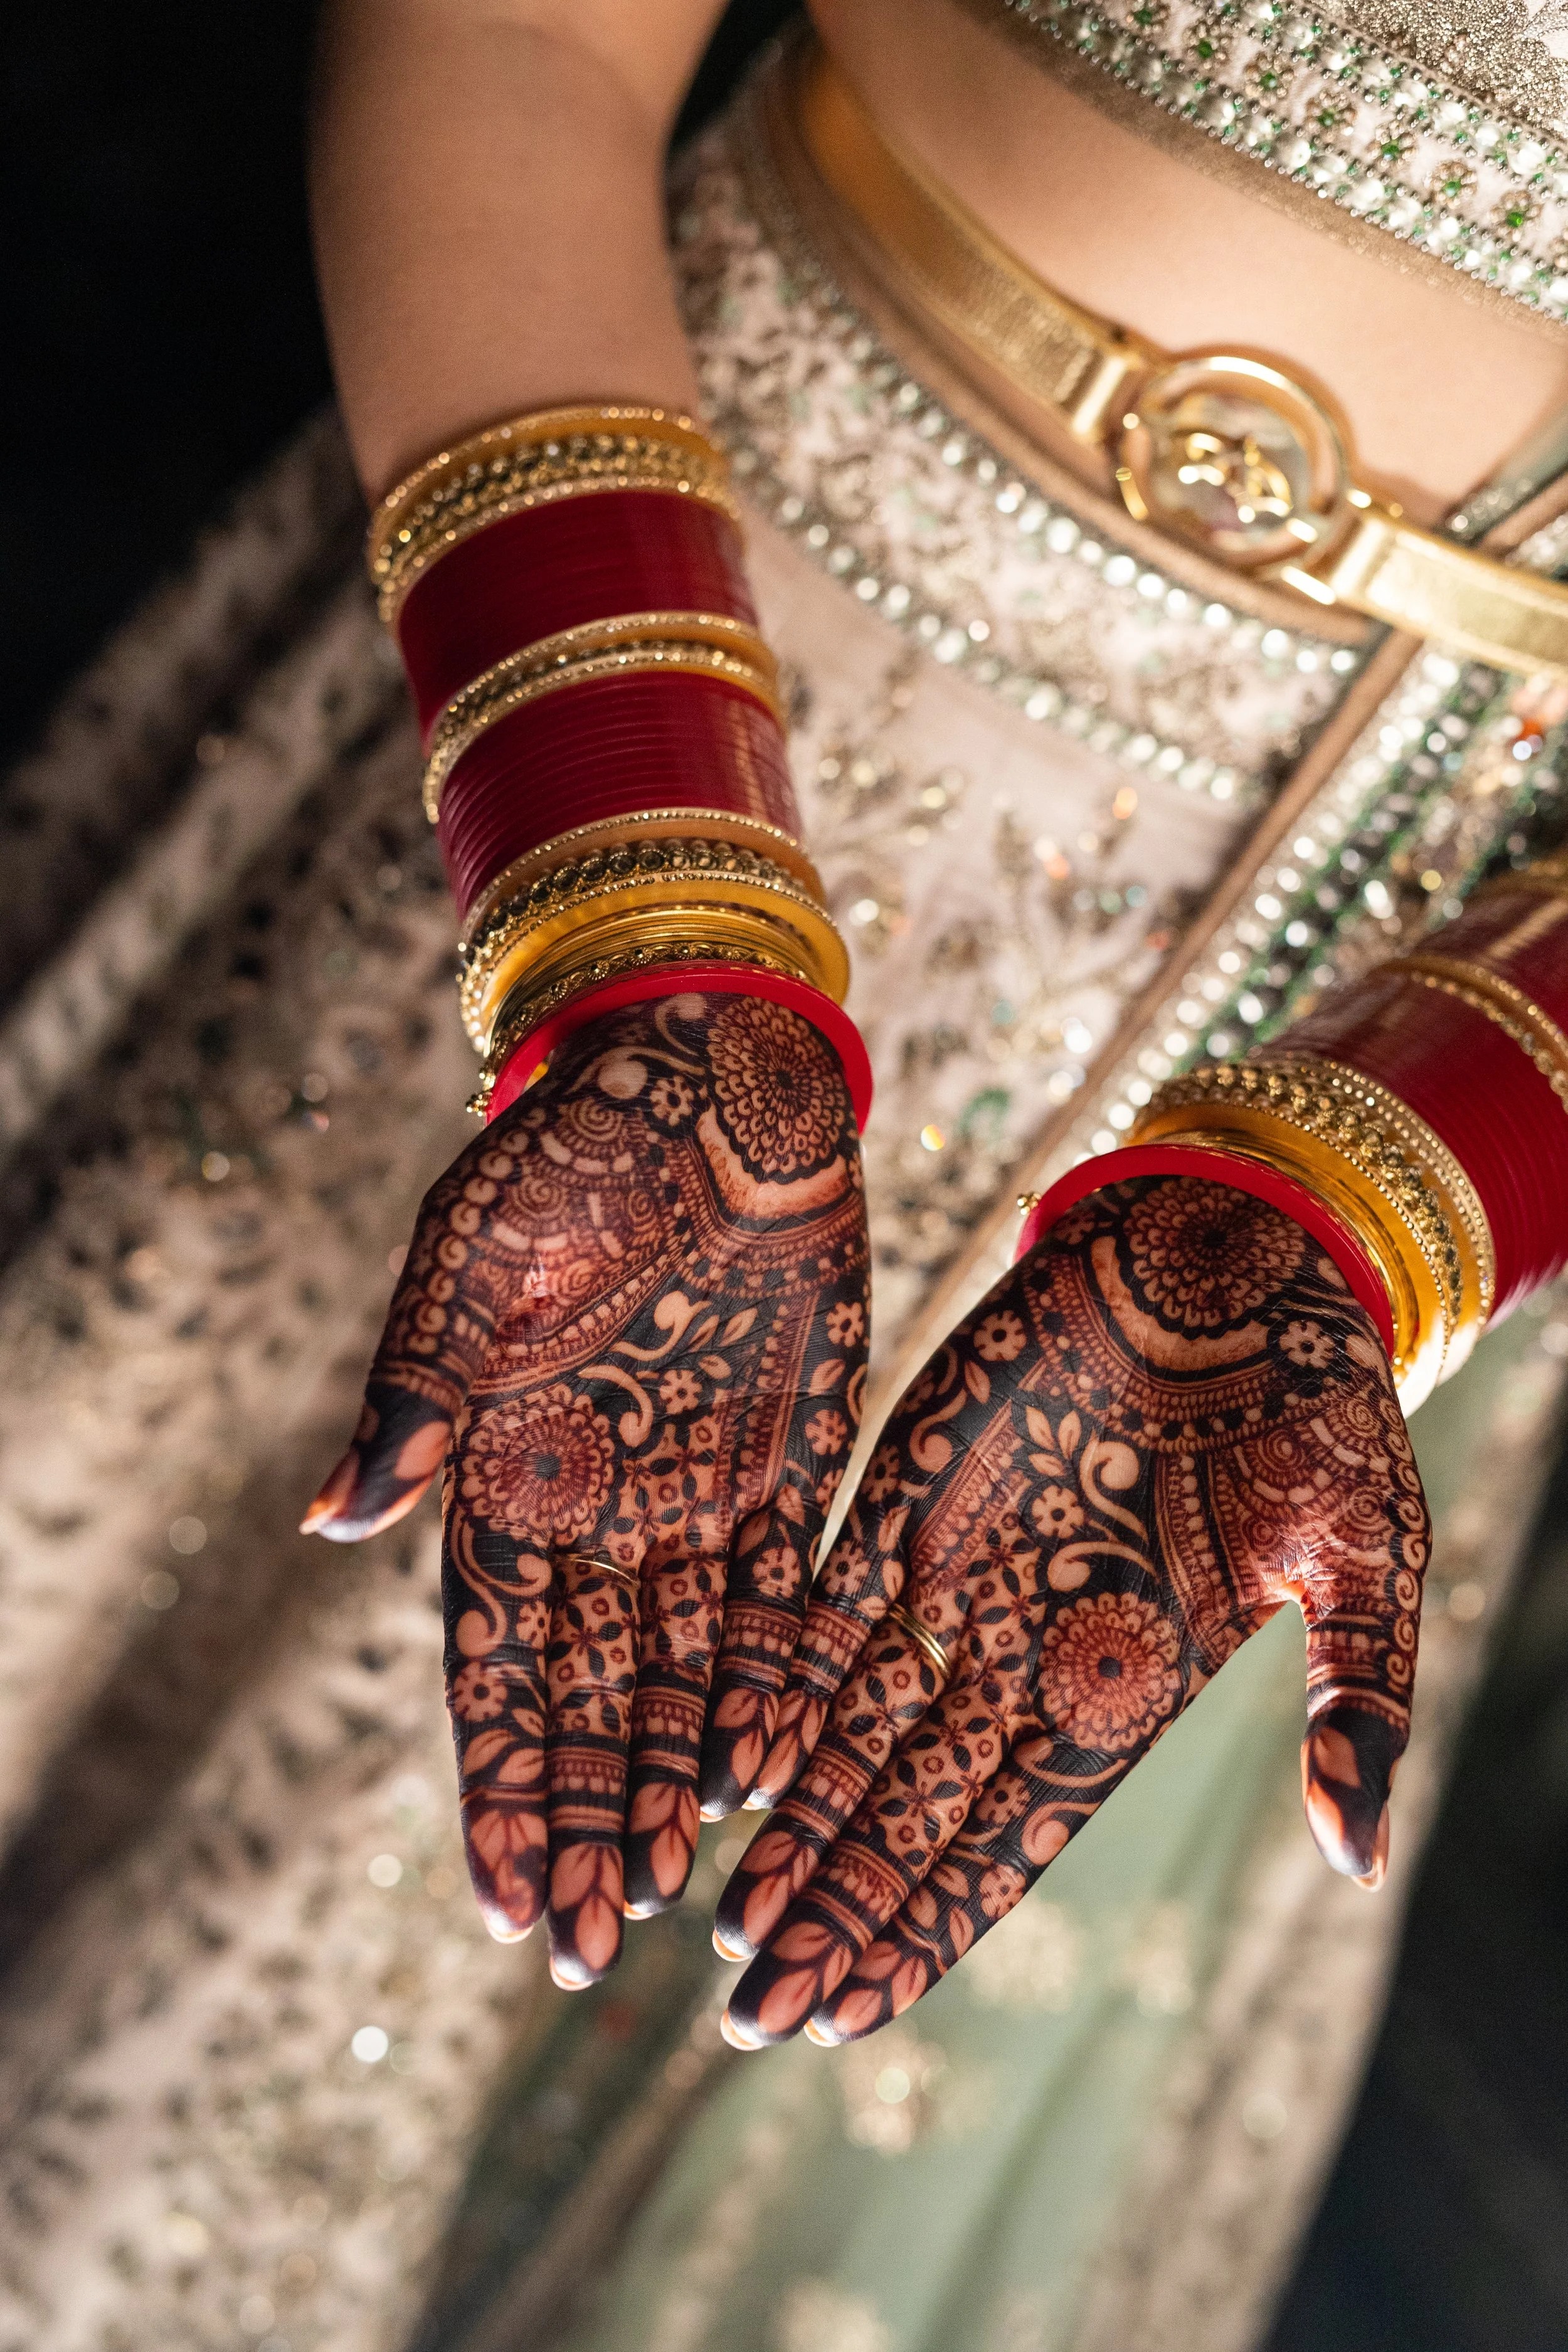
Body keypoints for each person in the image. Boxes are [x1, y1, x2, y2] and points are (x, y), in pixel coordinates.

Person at [304, 0, 1568, 2030]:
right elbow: (524, 37)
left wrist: (1401, 1189)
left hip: (1298, 1323)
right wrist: (635, 896)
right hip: (577, 659)